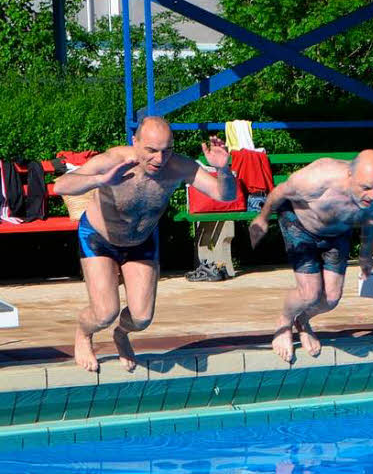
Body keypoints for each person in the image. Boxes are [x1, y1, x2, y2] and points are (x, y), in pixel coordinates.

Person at [54, 116, 237, 373]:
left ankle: (121, 334)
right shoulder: (114, 159)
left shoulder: (179, 166)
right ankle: (83, 334)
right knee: (104, 312)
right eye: (151, 151)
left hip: (141, 242)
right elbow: (60, 185)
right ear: (135, 142)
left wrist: (223, 169)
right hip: (98, 239)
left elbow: (225, 195)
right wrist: (100, 180)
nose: (159, 160)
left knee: (141, 319)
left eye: (166, 151)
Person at [248, 151, 373, 363]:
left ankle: (303, 321)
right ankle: (284, 322)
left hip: (337, 233)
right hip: (299, 225)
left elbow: (372, 218)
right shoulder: (316, 178)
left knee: (332, 299)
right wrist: (262, 218)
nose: (372, 195)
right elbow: (279, 192)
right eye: (365, 188)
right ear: (350, 175)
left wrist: (365, 255)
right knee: (309, 294)